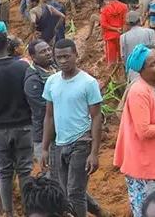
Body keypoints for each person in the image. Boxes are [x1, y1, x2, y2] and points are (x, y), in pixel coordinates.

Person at [115, 45, 155, 217]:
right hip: (145, 166)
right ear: (141, 71)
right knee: (150, 210)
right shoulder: (138, 92)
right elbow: (143, 131)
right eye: (153, 64)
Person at [41, 39, 104, 217]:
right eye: (58, 57)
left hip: (81, 142)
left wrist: (94, 152)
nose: (63, 61)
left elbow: (96, 117)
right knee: (63, 190)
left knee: (75, 192)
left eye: (67, 56)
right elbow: (49, 115)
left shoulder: (88, 83)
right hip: (59, 144)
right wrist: (45, 148)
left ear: (76, 55)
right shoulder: (52, 82)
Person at [0, 32, 34, 217]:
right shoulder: (22, 67)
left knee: (4, 173)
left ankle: (8, 213)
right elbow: (30, 96)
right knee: (25, 171)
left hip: (0, 131)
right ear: (7, 45)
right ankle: (28, 210)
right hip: (25, 126)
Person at [24, 40, 55, 165]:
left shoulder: (55, 69)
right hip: (44, 135)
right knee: (51, 176)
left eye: (48, 49)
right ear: (33, 57)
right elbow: (43, 108)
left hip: (62, 132)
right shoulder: (33, 81)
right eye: (43, 52)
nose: (48, 53)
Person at [121, 11, 155, 81]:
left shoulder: (124, 37)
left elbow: (124, 57)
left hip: (134, 71)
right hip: (151, 68)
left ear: (128, 23)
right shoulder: (150, 32)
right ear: (140, 20)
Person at [99, 0, 127, 64]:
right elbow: (125, 21)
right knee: (122, 57)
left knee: (111, 60)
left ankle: (112, 74)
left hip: (109, 36)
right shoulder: (124, 6)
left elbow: (103, 24)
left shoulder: (105, 9)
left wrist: (114, 29)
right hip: (121, 34)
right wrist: (121, 30)